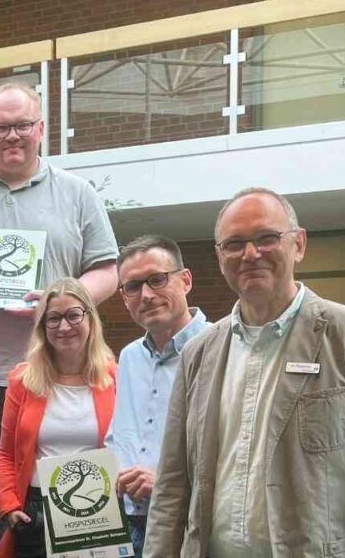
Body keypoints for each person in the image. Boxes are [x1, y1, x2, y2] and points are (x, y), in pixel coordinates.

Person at [0, 82, 118, 556]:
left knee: (63, 515)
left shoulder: (78, 193)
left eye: (22, 126)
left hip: (57, 379)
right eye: (1, 127)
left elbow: (107, 270)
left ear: (40, 129)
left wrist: (57, 304)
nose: (11, 136)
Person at [145, 188, 345, 558]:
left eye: (267, 238)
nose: (250, 254)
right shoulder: (197, 354)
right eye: (234, 244)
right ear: (220, 258)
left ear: (298, 244)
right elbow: (172, 487)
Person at [100, 235, 209, 556]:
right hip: (130, 521)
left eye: (157, 280)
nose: (146, 295)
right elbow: (120, 435)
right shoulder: (130, 356)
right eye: (132, 287)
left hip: (190, 524)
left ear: (185, 280)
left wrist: (164, 482)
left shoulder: (221, 347)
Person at [0, 277, 117, 558]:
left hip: (96, 510)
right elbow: (5, 453)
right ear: (43, 326)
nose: (64, 326)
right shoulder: (22, 381)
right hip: (36, 512)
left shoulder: (116, 378)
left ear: (90, 319)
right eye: (53, 318)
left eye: (73, 315)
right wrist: (10, 506)